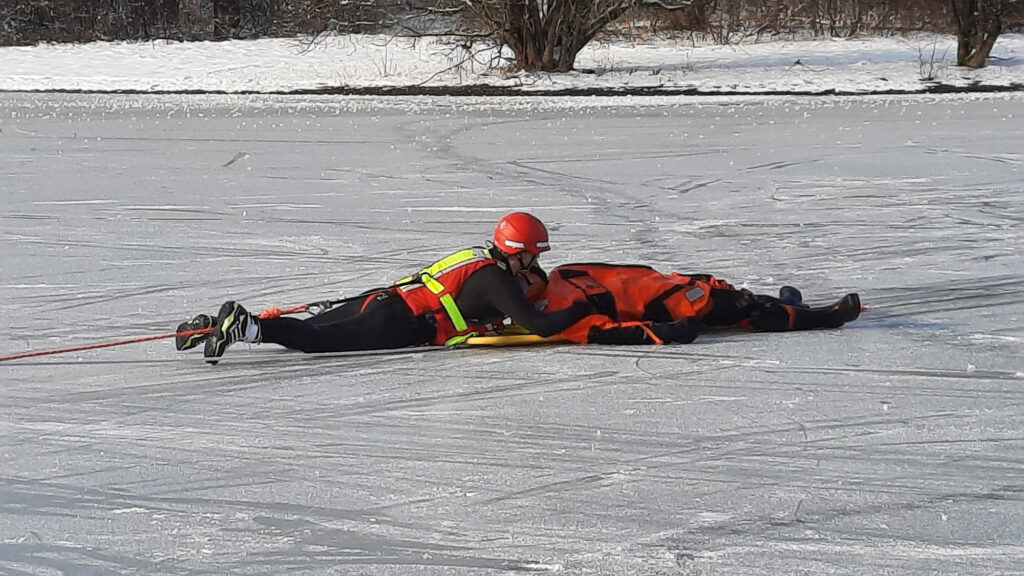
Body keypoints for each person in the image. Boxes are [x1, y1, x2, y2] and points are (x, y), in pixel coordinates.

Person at [175, 213, 697, 364]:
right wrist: (579, 315)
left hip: (390, 300)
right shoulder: (495, 280)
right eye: (534, 254)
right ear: (515, 251)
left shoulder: (479, 260)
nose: (537, 262)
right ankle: (244, 327)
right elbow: (539, 325)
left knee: (313, 327)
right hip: (403, 321)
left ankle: (215, 327)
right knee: (318, 342)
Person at [516, 263, 861, 344]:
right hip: (677, 308)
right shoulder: (558, 313)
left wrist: (683, 278)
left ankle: (791, 302)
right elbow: (609, 332)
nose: (533, 271)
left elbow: (631, 271)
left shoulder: (564, 273)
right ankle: (826, 317)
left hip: (676, 288)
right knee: (751, 309)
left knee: (743, 299)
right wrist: (667, 332)